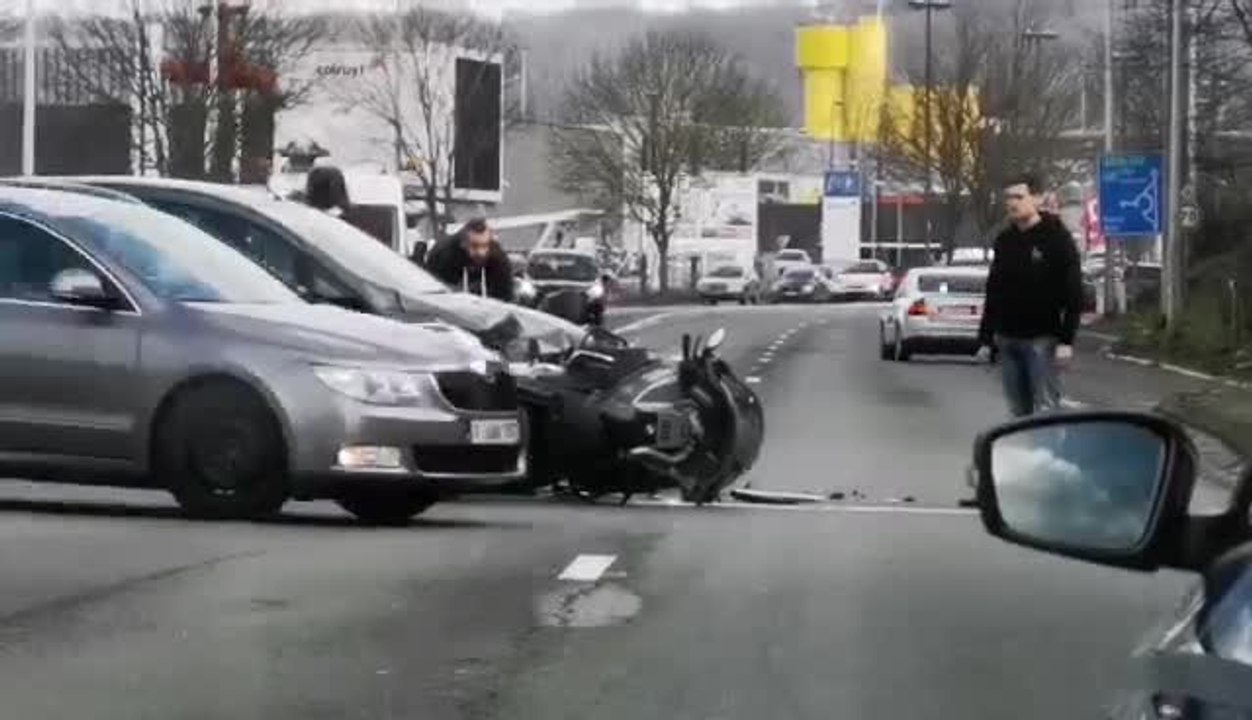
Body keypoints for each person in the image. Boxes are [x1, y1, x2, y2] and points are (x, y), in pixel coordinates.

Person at [977, 173, 1084, 418]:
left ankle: (1049, 453)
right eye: (1008, 198)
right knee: (1017, 411)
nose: (1012, 203)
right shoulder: (1005, 241)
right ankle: (1024, 453)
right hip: (1007, 337)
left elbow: (1073, 292)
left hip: (1042, 338)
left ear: (1038, 199)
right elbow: (995, 289)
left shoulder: (1057, 238)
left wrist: (1067, 340)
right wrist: (985, 337)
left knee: (1046, 408)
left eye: (1019, 196)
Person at [425, 218, 514, 302]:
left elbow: (505, 294)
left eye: (485, 245)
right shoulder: (443, 253)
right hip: (447, 285)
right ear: (463, 243)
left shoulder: (496, 253)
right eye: (475, 246)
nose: (481, 252)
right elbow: (435, 293)